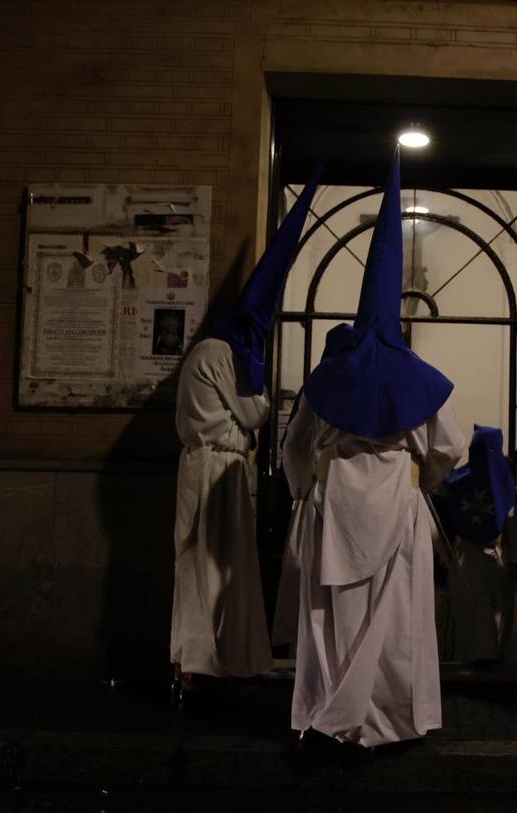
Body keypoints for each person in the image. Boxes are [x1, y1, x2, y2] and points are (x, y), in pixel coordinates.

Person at [283, 151, 465, 749]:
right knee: (395, 624)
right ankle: (389, 717)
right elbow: (451, 449)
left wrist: (305, 490)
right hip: (397, 500)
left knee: (332, 618)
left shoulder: (327, 375)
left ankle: (330, 713)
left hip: (336, 504)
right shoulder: (421, 378)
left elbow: (297, 446)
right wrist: (424, 479)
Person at [169, 166, 321, 700]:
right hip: (220, 467)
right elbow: (254, 415)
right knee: (219, 564)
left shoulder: (200, 353)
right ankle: (210, 660)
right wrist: (267, 391)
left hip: (202, 462)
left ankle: (204, 659)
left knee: (202, 564)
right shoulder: (222, 355)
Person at [270, 322, 354, 656]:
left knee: (310, 573)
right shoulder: (351, 384)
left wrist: (301, 488)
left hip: (318, 488)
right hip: (339, 493)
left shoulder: (319, 384)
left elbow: (292, 445)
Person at [432, 425, 517, 668]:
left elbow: (516, 531)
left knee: (495, 623)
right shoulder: (457, 485)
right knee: (470, 622)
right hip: (466, 558)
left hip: (492, 562)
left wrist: (515, 562)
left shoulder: (508, 491)